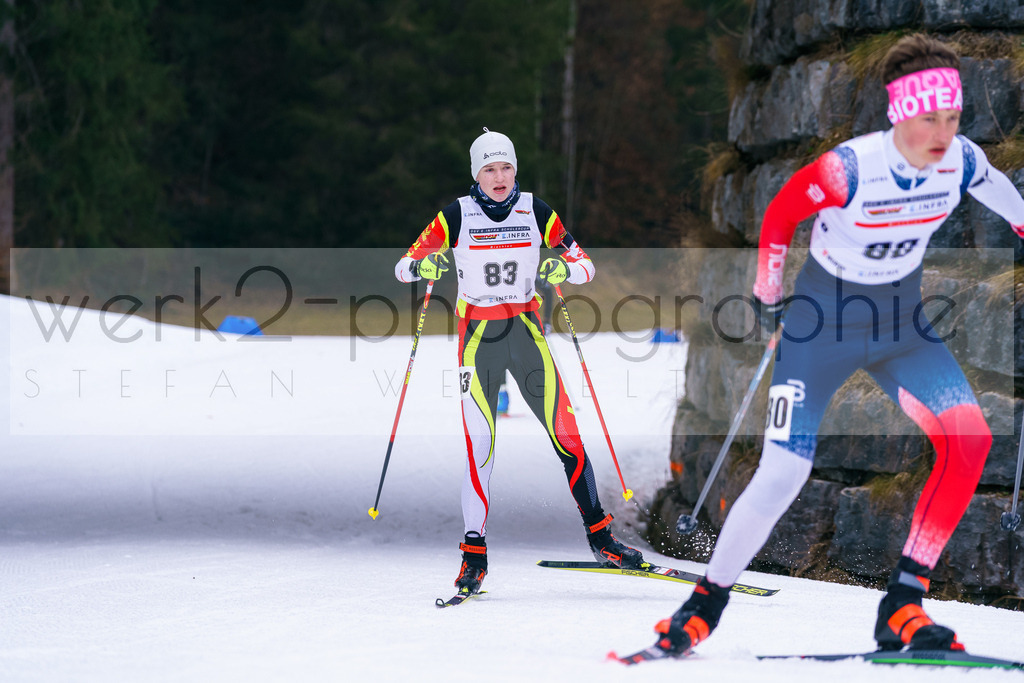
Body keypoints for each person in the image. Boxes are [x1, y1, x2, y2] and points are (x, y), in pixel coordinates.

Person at [648, 34, 1024, 656]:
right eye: (930, 117)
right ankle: (702, 605)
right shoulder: (849, 168)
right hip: (821, 327)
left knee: (970, 441)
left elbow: (1008, 200)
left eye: (954, 117)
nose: (943, 132)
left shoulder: (961, 160)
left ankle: (903, 604)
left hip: (901, 326)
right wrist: (769, 293)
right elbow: (779, 215)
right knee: (783, 472)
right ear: (901, 113)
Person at [395, 128, 646, 598]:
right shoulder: (457, 215)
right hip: (478, 340)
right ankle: (474, 557)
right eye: (489, 168)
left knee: (567, 436)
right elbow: (404, 263)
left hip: (527, 335)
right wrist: (423, 265)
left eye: (506, 167)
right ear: (476, 173)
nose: (499, 177)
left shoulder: (536, 210)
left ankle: (602, 539)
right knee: (481, 446)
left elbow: (585, 263)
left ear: (515, 170)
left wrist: (563, 268)